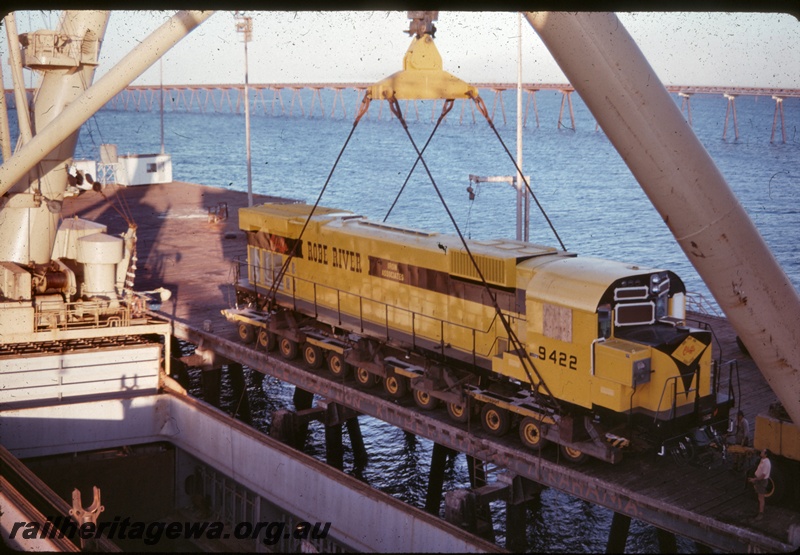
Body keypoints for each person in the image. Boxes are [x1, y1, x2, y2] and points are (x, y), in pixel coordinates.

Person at [748, 448, 771, 521]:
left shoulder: (766, 463)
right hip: (759, 480)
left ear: (766, 454)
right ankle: (759, 511)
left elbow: (763, 475)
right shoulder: (763, 460)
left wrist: (754, 480)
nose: (761, 452)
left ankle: (761, 513)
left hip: (761, 481)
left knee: (761, 498)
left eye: (763, 452)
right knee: (759, 497)